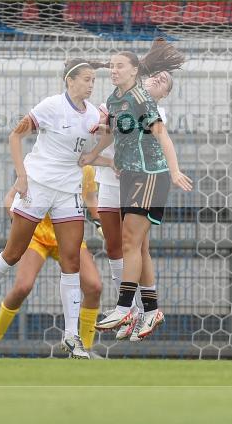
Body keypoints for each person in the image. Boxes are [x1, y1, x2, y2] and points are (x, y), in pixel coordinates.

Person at [0, 59, 101, 359]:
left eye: (93, 80)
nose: (91, 84)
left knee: (72, 262)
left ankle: (72, 336)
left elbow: (99, 141)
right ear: (69, 80)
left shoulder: (93, 114)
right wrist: (21, 177)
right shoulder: (50, 106)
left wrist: (101, 155)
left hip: (67, 193)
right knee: (11, 255)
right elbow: (15, 135)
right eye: (86, 79)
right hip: (37, 187)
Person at [80, 39, 193, 341]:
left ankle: (125, 306)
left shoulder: (144, 100)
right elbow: (111, 132)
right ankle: (151, 309)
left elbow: (163, 137)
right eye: (112, 65)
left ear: (134, 71)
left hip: (151, 174)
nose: (113, 69)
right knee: (136, 246)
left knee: (130, 241)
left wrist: (175, 170)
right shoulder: (116, 99)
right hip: (130, 177)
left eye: (119, 65)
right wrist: (94, 155)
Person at [0, 166, 103, 359]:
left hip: (67, 236)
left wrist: (100, 222)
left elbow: (89, 198)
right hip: (36, 237)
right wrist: (19, 224)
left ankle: (85, 350)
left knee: (94, 286)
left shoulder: (86, 168)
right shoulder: (41, 162)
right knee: (22, 287)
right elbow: (10, 199)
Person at [95, 72, 174, 342]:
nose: (155, 80)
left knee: (134, 245)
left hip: (138, 180)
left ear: (165, 95)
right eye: (154, 76)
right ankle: (141, 309)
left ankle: (128, 309)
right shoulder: (120, 100)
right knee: (118, 247)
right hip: (109, 185)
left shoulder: (155, 111)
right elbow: (101, 127)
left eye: (163, 82)